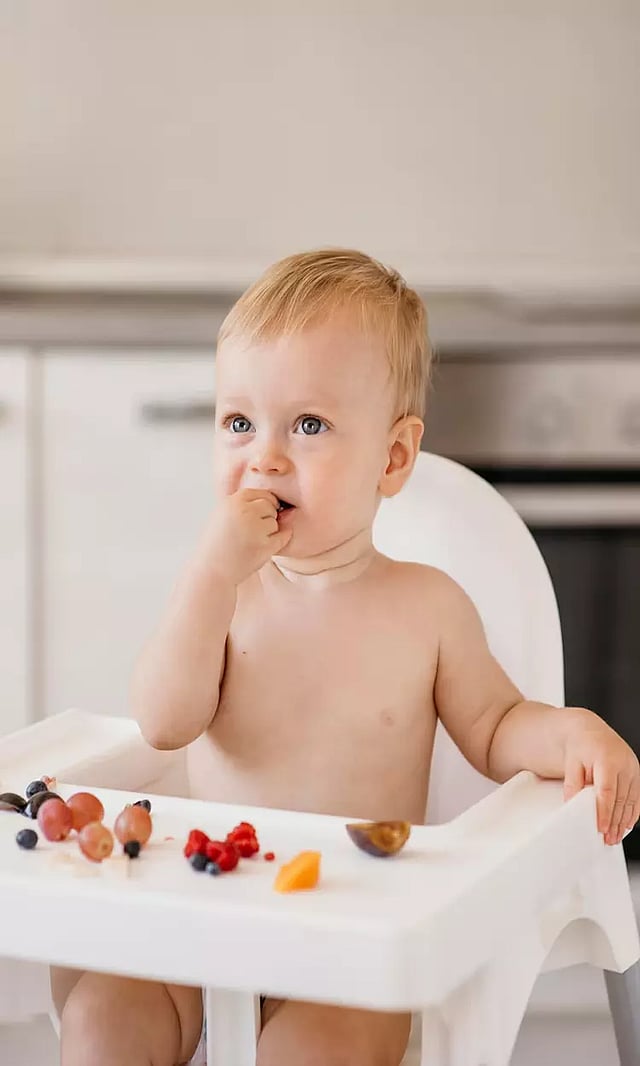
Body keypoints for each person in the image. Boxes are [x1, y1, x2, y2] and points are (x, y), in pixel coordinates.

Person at [54, 248, 640, 1066]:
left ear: (392, 458)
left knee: (314, 1053)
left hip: (353, 939)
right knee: (100, 1019)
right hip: (204, 909)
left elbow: (498, 724)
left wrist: (573, 732)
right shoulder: (224, 596)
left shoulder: (427, 607)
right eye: (239, 423)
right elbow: (163, 722)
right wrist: (211, 575)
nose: (264, 457)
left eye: (308, 425)